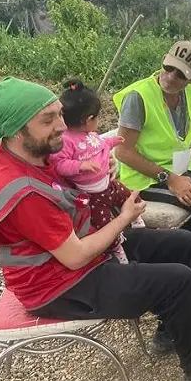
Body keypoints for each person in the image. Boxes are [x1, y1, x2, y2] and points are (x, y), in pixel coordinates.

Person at [0, 77, 191, 381]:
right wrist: (124, 217)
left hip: (72, 254)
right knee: (179, 280)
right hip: (56, 283)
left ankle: (168, 333)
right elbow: (75, 257)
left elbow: (76, 185)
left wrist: (101, 176)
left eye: (60, 114)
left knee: (182, 243)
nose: (62, 126)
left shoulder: (30, 152)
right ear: (16, 130)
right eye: (48, 120)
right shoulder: (23, 191)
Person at [113, 41, 191, 278]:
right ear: (164, 59)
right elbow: (122, 152)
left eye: (181, 74)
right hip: (144, 179)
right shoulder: (138, 97)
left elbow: (186, 135)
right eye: (168, 67)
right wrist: (170, 179)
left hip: (180, 167)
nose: (170, 77)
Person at [48, 79, 145, 264]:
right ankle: (117, 249)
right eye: (97, 117)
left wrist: (112, 142)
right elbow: (60, 164)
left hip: (107, 184)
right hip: (92, 195)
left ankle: (137, 221)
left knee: (130, 195)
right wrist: (80, 166)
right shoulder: (67, 141)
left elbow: (100, 145)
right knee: (104, 224)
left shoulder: (90, 135)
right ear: (88, 119)